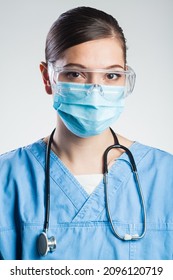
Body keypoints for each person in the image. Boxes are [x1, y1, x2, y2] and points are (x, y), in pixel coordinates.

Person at [0, 6, 173, 260]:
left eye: (111, 75)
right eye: (75, 73)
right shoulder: (8, 180)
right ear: (48, 78)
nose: (95, 91)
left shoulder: (165, 178)